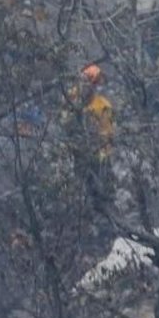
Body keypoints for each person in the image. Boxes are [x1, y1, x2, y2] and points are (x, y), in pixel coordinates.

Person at [64, 63, 117, 211]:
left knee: (102, 190)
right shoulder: (70, 100)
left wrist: (103, 154)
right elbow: (64, 124)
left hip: (98, 154)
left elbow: (107, 133)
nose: (88, 87)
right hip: (77, 153)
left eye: (92, 84)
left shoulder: (103, 106)